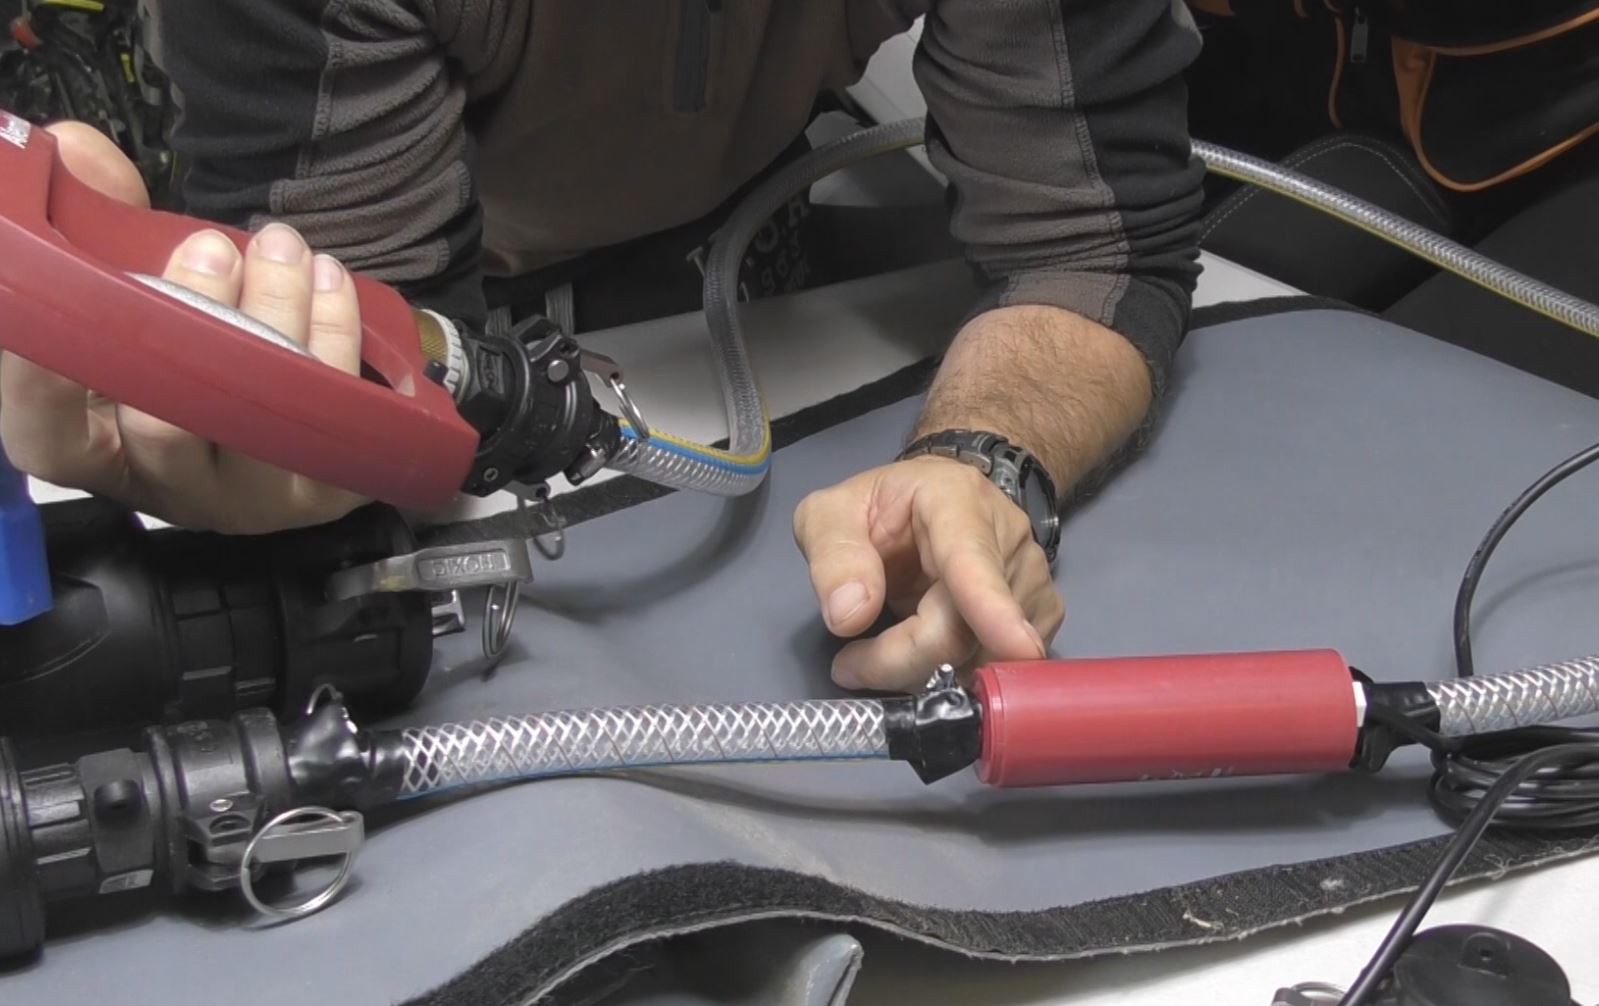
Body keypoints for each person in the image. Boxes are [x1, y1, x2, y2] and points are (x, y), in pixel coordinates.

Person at [0, 1, 1205, 693]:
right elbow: (389, 343)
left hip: (743, 232)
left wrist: (985, 460)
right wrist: (313, 444)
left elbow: (1098, 241)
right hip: (459, 271)